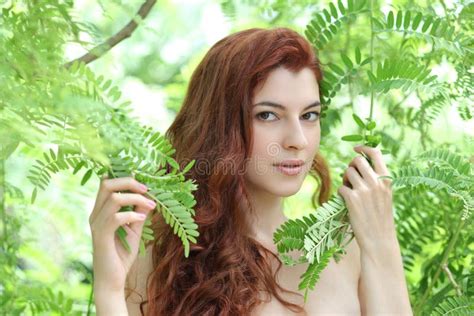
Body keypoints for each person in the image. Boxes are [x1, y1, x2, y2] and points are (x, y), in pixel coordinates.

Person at [89, 27, 412, 315]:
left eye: (309, 115)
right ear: (219, 125)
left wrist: (382, 239)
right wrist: (109, 290)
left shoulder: (345, 251)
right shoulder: (164, 255)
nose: (297, 140)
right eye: (268, 115)